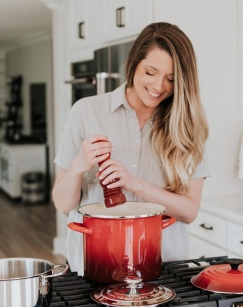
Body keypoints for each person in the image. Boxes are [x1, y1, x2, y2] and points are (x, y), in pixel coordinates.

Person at [52, 22, 210, 274]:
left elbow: (189, 211)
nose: (159, 86)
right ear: (133, 64)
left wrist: (132, 182)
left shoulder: (188, 127)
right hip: (94, 267)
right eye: (150, 72)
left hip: (163, 269)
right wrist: (78, 166)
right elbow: (61, 203)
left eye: (171, 79)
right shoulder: (86, 111)